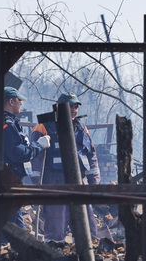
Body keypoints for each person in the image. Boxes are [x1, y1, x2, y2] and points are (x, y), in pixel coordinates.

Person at [0, 87, 50, 241]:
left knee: (1, 225)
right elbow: (18, 153)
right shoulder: (6, 125)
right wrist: (39, 145)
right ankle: (18, 258)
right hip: (6, 181)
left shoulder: (3, 122)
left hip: (3, 179)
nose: (21, 103)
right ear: (11, 101)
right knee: (14, 230)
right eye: (19, 100)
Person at [30, 92, 99, 241]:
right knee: (56, 223)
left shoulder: (81, 127)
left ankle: (88, 256)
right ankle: (54, 254)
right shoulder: (43, 126)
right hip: (55, 181)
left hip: (80, 180)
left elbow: (91, 154)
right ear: (59, 108)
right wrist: (38, 185)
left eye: (76, 107)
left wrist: (94, 181)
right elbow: (36, 157)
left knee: (86, 224)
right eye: (70, 107)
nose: (74, 110)